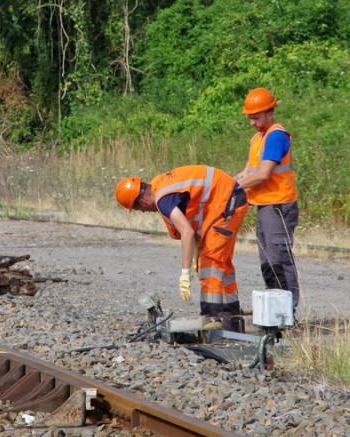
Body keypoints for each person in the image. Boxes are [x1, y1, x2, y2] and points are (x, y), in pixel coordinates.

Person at [115, 165, 249, 329]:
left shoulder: (164, 200)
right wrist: (196, 251)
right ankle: (232, 317)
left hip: (228, 199)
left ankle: (213, 318)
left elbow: (187, 232)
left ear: (142, 202)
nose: (143, 212)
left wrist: (185, 273)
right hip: (225, 197)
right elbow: (192, 218)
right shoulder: (160, 186)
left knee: (211, 262)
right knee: (221, 262)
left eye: (138, 209)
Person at [233, 87, 300, 310]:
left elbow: (263, 174)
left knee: (278, 259)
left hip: (278, 205)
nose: (252, 122)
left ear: (269, 113)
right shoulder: (258, 138)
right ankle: (274, 310)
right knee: (268, 261)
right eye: (250, 118)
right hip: (264, 205)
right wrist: (226, 183)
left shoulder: (275, 136)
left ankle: (287, 311)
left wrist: (234, 188)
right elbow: (248, 172)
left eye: (256, 117)